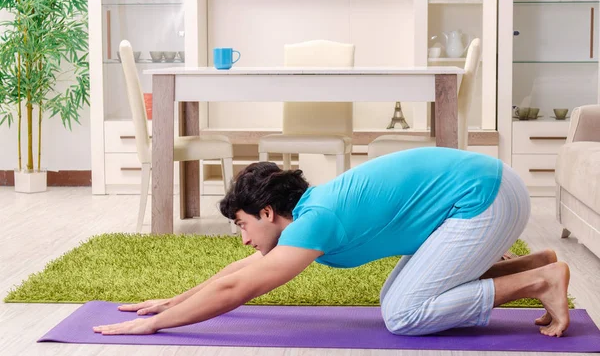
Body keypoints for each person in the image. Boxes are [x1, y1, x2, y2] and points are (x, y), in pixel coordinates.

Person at [93, 147, 570, 337]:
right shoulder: (310, 213)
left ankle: (540, 280)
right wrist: (174, 301)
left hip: (483, 198)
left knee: (404, 315)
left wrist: (155, 328)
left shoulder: (312, 222)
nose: (242, 241)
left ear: (266, 213)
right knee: (395, 298)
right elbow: (238, 276)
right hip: (488, 190)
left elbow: (240, 290)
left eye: (241, 226)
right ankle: (535, 264)